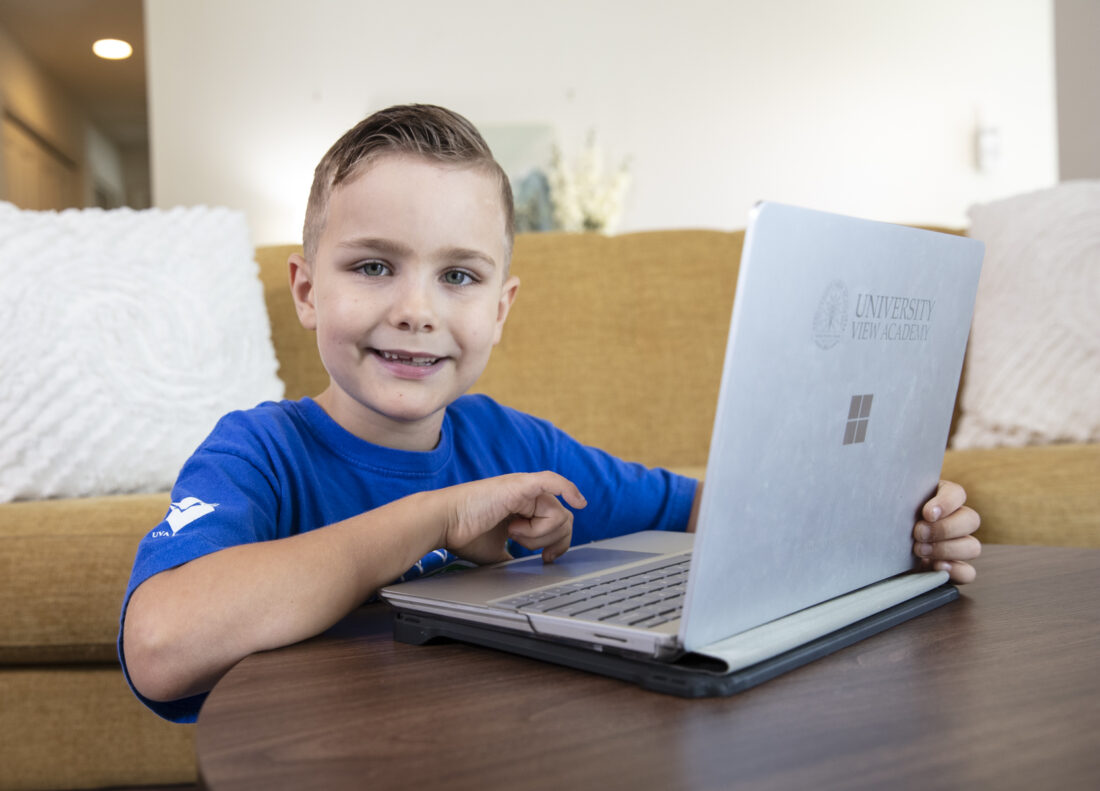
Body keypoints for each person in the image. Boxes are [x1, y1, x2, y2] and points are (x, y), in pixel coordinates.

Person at [119, 104, 981, 723]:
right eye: (374, 265)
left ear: (501, 307)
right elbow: (161, 647)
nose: (417, 308)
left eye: (458, 276)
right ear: (307, 291)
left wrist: (893, 520)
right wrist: (438, 514)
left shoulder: (514, 444)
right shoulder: (258, 451)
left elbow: (705, 509)